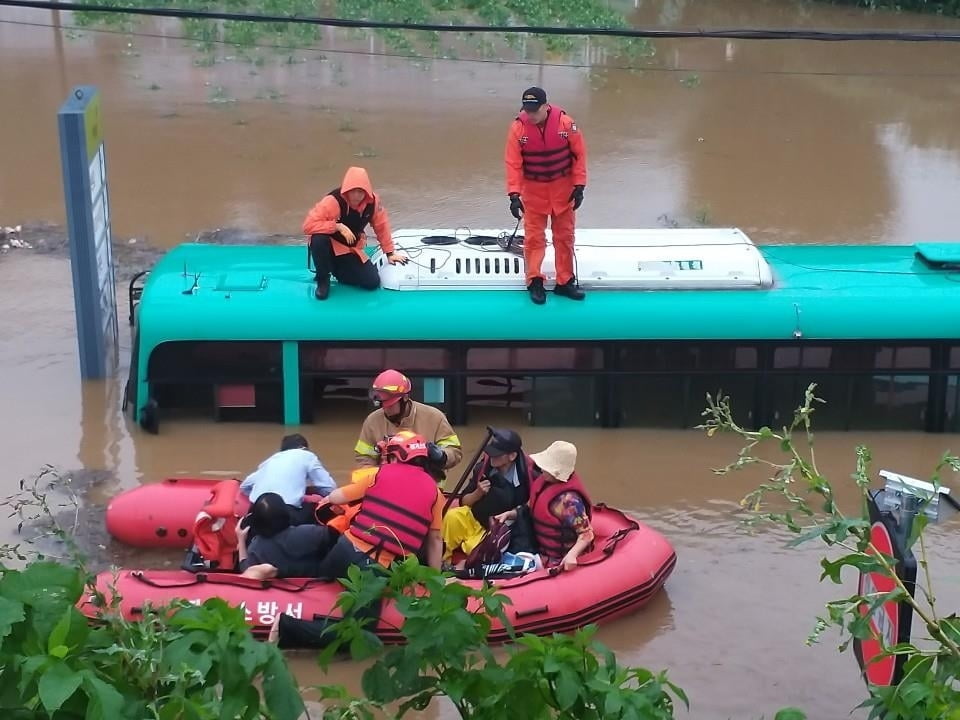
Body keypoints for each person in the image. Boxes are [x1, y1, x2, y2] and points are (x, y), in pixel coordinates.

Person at [504, 86, 588, 305]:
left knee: (565, 237)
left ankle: (565, 281)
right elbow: (513, 163)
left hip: (564, 191)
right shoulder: (517, 129)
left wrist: (580, 185)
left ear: (545, 106)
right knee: (533, 239)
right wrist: (514, 195)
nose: (530, 115)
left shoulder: (567, 124)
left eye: (534, 110)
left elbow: (579, 155)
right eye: (527, 110)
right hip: (534, 193)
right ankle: (534, 280)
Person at [302, 166, 409, 300]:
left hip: (349, 249)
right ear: (346, 190)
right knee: (318, 238)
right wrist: (336, 226)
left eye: (361, 191)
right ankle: (323, 278)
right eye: (353, 191)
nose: (357, 196)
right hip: (328, 246)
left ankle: (337, 270)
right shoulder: (332, 201)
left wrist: (390, 253)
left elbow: (381, 226)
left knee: (371, 283)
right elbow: (307, 226)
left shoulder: (373, 202)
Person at [494, 440, 594, 572]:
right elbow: (531, 507)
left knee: (504, 569)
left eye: (546, 467)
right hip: (538, 547)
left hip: (556, 558)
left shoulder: (569, 502)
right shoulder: (544, 481)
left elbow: (587, 534)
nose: (541, 468)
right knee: (497, 555)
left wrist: (572, 555)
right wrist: (511, 514)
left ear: (557, 472)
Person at [441, 428, 535, 564]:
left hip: (499, 528)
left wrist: (513, 513)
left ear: (512, 456)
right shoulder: (482, 468)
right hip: (476, 519)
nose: (492, 457)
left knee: (486, 550)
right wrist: (477, 493)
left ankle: (470, 563)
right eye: (491, 453)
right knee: (452, 516)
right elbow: (464, 501)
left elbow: (533, 504)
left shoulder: (527, 476)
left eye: (497, 454)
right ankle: (442, 560)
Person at [354, 369, 462, 473]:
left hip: (427, 487)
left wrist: (441, 455)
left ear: (405, 397)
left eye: (390, 405)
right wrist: (373, 477)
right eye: (382, 404)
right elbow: (364, 457)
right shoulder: (373, 421)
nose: (385, 409)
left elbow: (454, 451)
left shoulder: (434, 417)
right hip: (387, 486)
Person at [239, 433, 336, 526]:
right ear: (304, 448)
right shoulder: (307, 456)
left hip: (256, 512)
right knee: (321, 510)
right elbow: (330, 488)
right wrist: (318, 498)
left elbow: (244, 486)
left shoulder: (271, 460)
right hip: (287, 514)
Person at [236, 493, 337, 579]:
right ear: (286, 513)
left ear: (256, 520)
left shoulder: (256, 548)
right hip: (316, 583)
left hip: (282, 592)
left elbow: (246, 571)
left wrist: (241, 540)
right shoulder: (311, 533)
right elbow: (336, 536)